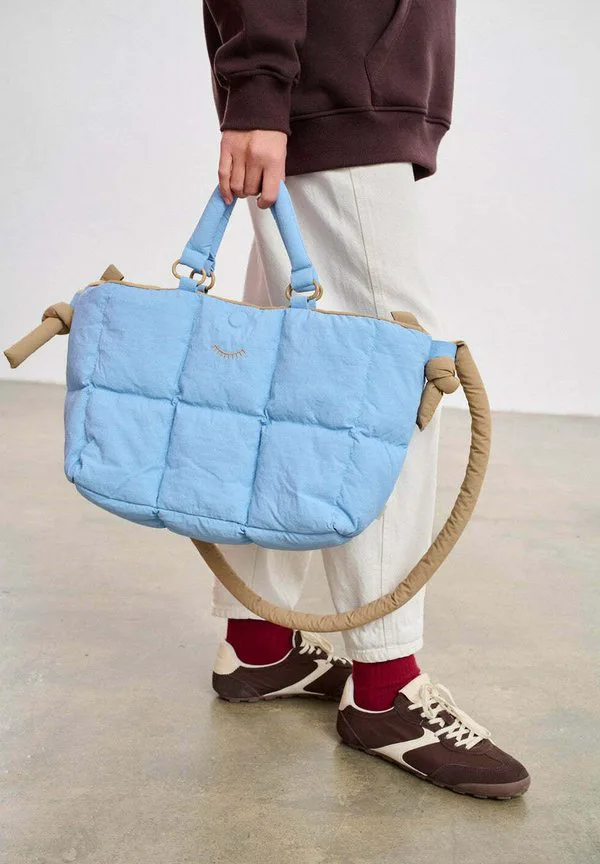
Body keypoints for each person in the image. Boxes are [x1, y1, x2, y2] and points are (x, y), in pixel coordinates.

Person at [202, 0, 530, 799]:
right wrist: (259, 88)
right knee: (389, 390)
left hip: (339, 90)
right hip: (335, 91)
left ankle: (259, 645)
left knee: (288, 389)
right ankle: (386, 691)